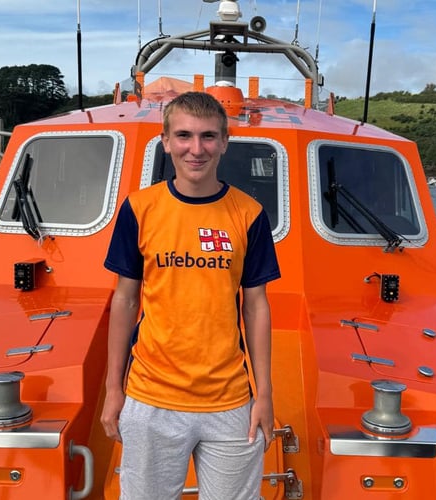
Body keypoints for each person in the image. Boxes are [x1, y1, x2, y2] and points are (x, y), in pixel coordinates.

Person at [101, 91, 281, 500]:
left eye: (207, 137)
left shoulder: (249, 214)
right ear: (165, 142)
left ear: (224, 142)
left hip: (231, 400)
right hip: (150, 397)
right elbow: (125, 301)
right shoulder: (139, 209)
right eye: (183, 136)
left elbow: (256, 306)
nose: (195, 149)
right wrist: (115, 391)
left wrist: (265, 396)